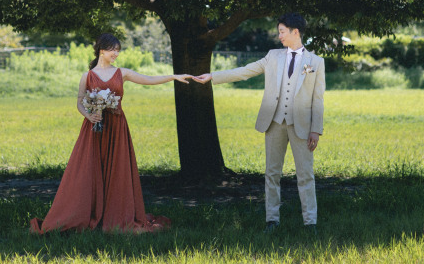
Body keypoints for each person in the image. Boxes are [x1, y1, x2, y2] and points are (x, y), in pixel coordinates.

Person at [30, 33, 192, 234]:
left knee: (117, 170)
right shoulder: (87, 76)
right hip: (94, 130)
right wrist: (89, 116)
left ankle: (115, 215)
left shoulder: (121, 73)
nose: (116, 53)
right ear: (101, 50)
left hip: (117, 127)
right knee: (89, 171)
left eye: (118, 50)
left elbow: (149, 79)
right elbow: (80, 102)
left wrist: (174, 77)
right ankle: (87, 213)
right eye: (113, 49)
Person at [192, 12, 325, 234]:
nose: (279, 35)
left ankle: (310, 223)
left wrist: (316, 130)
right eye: (279, 31)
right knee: (272, 173)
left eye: (282, 31)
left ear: (296, 32)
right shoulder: (273, 56)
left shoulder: (316, 62)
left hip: (302, 126)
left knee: (306, 175)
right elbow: (245, 72)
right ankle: (272, 221)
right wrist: (213, 76)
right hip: (274, 123)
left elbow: (318, 99)